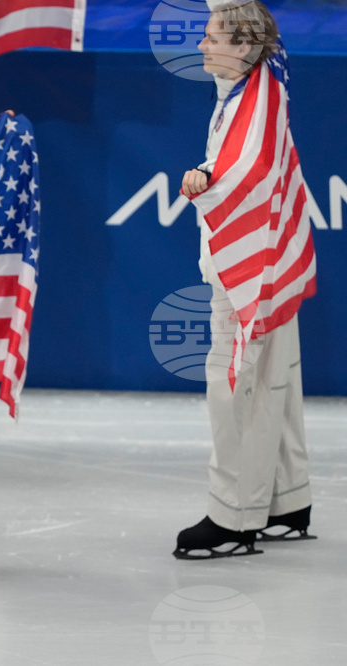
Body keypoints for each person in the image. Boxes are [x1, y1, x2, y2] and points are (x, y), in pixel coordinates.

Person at [174, 0, 315, 559]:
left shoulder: (253, 100)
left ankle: (234, 517)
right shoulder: (262, 77)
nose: (201, 45)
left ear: (244, 46)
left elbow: (242, 172)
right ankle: (286, 500)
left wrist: (203, 178)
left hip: (248, 271)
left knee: (239, 390)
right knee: (276, 382)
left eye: (212, 37)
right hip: (274, 262)